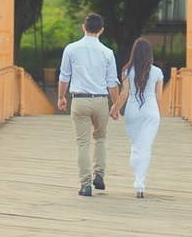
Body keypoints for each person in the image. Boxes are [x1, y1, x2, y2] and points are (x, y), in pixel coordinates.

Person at [57, 13, 120, 196]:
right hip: (100, 100)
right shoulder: (108, 52)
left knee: (82, 143)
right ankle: (99, 174)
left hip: (80, 100)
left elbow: (64, 76)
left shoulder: (71, 49)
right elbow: (112, 82)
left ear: (83, 27)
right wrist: (116, 106)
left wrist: (61, 97)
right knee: (100, 138)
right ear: (101, 30)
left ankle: (85, 185)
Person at [108, 38, 164, 198]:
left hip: (133, 111)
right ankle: (140, 182)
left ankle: (138, 179)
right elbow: (158, 97)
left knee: (136, 147)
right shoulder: (157, 72)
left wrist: (114, 110)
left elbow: (124, 94)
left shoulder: (127, 71)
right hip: (151, 111)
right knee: (145, 147)